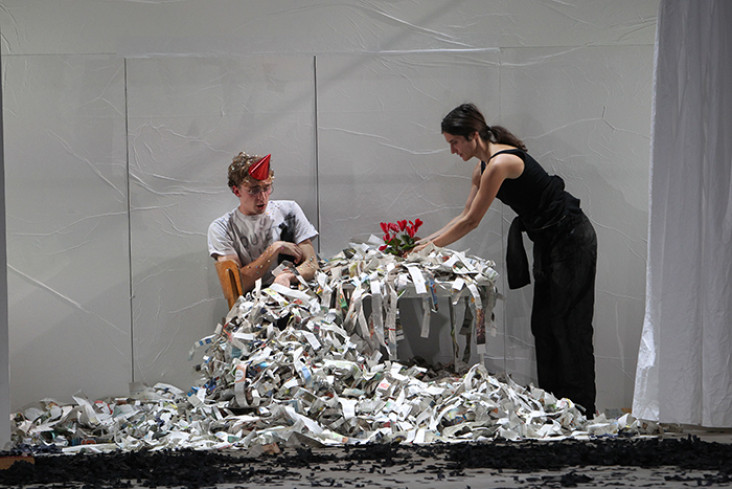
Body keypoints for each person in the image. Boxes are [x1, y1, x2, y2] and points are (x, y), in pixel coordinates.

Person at [414, 103, 597, 416]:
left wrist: (425, 248)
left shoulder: (501, 162)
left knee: (569, 325)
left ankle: (581, 409)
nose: (453, 150)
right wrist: (424, 244)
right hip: (547, 241)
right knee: (544, 324)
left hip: (571, 238)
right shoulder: (482, 167)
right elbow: (463, 215)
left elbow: (472, 222)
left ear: (473, 136)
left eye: (455, 143)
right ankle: (556, 405)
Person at [208, 152, 319, 293]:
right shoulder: (222, 228)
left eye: (266, 188)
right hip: (255, 304)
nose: (262, 197)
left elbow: (312, 264)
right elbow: (236, 286)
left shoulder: (289, 211)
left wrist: (287, 276)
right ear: (237, 191)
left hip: (296, 297)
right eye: (254, 190)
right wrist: (274, 249)